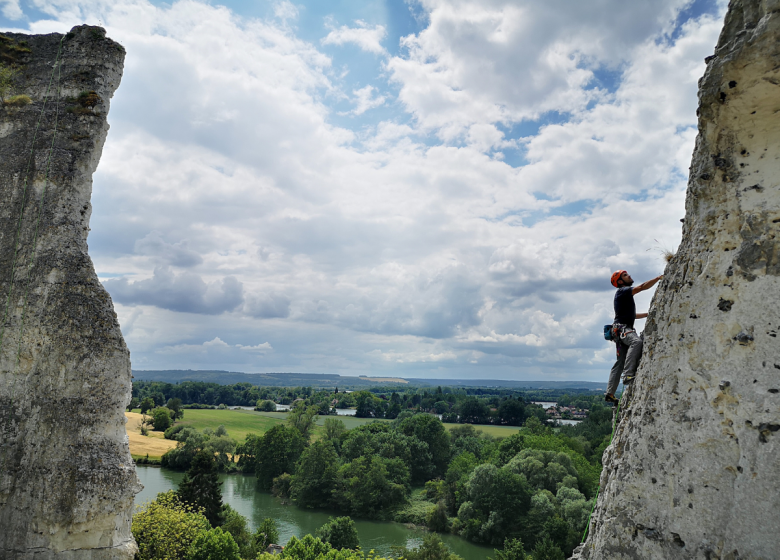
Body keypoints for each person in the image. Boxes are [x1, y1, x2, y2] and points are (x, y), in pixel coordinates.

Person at [604, 270, 663, 405]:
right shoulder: (623, 291)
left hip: (617, 331)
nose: (629, 276)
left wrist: (648, 314)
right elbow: (641, 287)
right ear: (620, 282)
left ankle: (610, 393)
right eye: (625, 275)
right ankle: (628, 375)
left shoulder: (622, 296)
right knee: (636, 342)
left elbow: (632, 315)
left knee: (620, 362)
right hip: (623, 329)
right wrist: (658, 278)